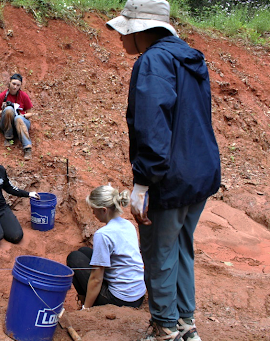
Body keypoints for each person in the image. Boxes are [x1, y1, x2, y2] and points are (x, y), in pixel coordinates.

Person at [106, 1, 221, 340]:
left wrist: (143, 181)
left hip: (168, 179)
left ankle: (165, 330)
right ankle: (186, 325)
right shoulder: (190, 59)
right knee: (182, 248)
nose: (121, 38)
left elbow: (153, 126)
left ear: (141, 30)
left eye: (125, 30)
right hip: (199, 175)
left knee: (158, 254)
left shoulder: (153, 61)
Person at [66, 185, 145, 310]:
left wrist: (86, 309)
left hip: (120, 299)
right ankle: (85, 301)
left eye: (94, 210)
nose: (93, 213)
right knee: (83, 251)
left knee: (74, 258)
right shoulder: (128, 224)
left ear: (104, 210)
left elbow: (96, 279)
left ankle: (85, 305)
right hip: (137, 294)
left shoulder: (103, 234)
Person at [0, 73, 35, 160]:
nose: (15, 87)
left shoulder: (23, 96)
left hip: (20, 122)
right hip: (7, 123)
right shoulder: (2, 96)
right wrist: (4, 110)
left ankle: (27, 148)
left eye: (18, 85)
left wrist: (22, 115)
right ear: (9, 82)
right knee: (9, 109)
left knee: (18, 118)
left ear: (20, 86)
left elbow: (30, 113)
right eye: (13, 84)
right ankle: (8, 137)